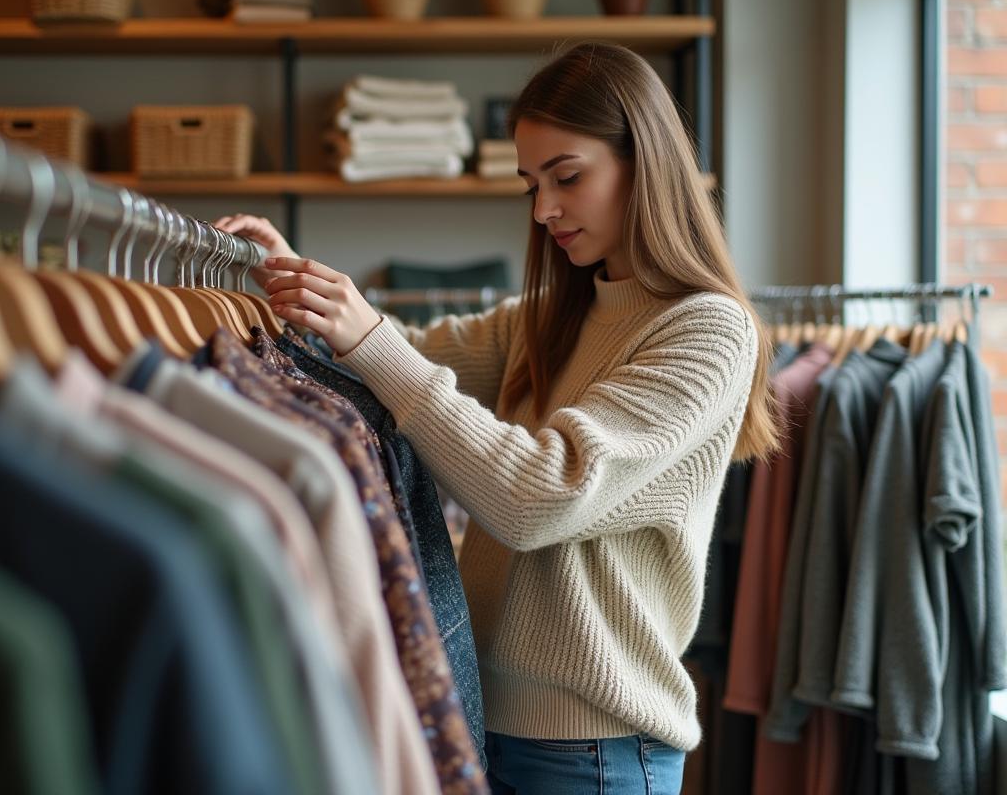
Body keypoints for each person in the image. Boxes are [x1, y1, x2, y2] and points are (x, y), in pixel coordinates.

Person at [213, 40, 780, 795]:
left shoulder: (707, 331)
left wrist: (369, 337)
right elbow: (390, 363)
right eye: (531, 187)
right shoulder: (549, 318)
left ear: (645, 163)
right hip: (482, 718)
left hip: (597, 753)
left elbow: (539, 495)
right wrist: (302, 288)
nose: (544, 210)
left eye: (566, 177)